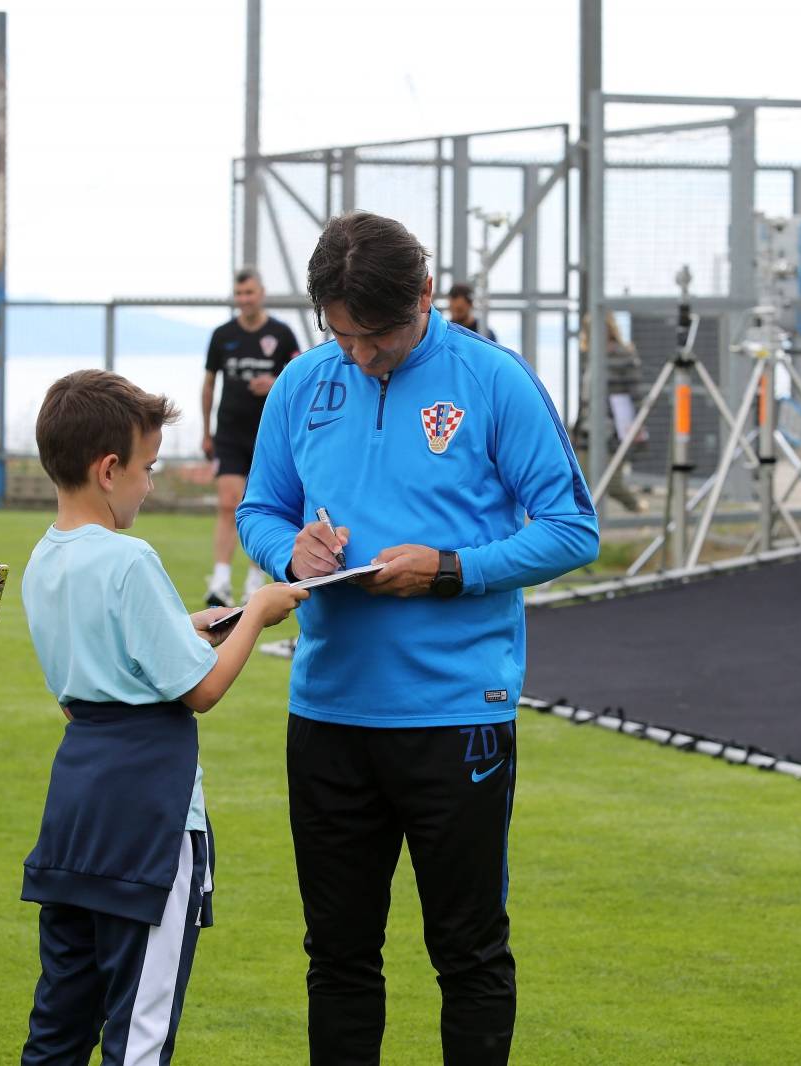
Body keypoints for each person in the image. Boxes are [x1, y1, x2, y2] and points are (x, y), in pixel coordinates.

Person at [238, 211, 599, 1065]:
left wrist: (449, 568)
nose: (359, 354)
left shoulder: (494, 381)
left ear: (428, 297)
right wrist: (287, 548)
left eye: (378, 337)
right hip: (328, 714)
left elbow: (571, 529)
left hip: (455, 717)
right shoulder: (302, 384)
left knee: (468, 954)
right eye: (342, 334)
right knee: (338, 958)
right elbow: (260, 508)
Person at [18, 369, 304, 1065]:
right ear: (109, 469)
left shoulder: (42, 561)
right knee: (137, 1039)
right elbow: (199, 690)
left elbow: (96, 673)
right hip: (151, 817)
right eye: (147, 468)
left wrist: (195, 625)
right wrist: (259, 612)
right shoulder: (129, 557)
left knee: (57, 1027)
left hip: (77, 813)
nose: (149, 483)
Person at [201, 267, 302, 607]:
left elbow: (298, 379)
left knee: (262, 507)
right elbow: (209, 384)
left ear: (261, 293)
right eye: (239, 294)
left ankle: (256, 579)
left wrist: (273, 383)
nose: (244, 299)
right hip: (229, 432)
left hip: (266, 435)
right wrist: (205, 431)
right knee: (228, 503)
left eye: (250, 293)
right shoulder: (222, 335)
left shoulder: (282, 334)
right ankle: (220, 581)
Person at [572, 312, 647, 512]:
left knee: (612, 482)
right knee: (581, 480)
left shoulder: (623, 355)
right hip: (588, 428)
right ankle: (587, 524)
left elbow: (636, 391)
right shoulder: (590, 357)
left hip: (613, 428)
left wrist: (639, 423)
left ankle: (638, 509)